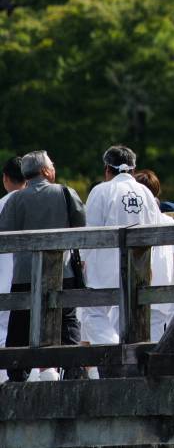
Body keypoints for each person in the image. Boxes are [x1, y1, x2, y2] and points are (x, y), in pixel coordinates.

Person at [0, 151, 86, 381]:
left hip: (24, 273)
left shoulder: (15, 199)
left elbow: (4, 234)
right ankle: (73, 369)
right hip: (62, 270)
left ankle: (17, 373)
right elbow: (81, 226)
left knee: (20, 323)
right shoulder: (65, 193)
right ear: (46, 171)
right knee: (67, 320)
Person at [80, 146, 163, 374]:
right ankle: (130, 361)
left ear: (107, 168)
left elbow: (90, 233)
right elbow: (156, 229)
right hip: (141, 267)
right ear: (133, 169)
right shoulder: (146, 193)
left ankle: (119, 355)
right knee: (132, 317)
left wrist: (83, 260)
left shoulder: (101, 191)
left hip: (105, 267)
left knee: (93, 315)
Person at [132, 168, 174, 340]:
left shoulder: (135, 218)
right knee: (157, 333)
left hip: (139, 285)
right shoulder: (169, 222)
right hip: (164, 286)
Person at [0, 157, 25, 379]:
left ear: (5, 178)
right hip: (31, 279)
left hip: (4, 277)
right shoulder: (35, 203)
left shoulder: (2, 204)